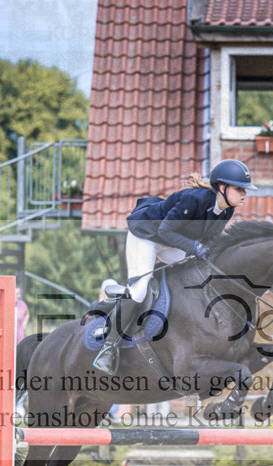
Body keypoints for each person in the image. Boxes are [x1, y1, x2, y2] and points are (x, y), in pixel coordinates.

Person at [91, 159, 257, 374]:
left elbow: (210, 240)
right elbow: (165, 231)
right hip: (147, 235)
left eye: (244, 190)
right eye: (239, 189)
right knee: (139, 290)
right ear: (222, 188)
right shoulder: (194, 199)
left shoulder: (226, 210)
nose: (244, 194)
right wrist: (194, 247)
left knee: (198, 274)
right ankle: (108, 347)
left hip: (170, 242)